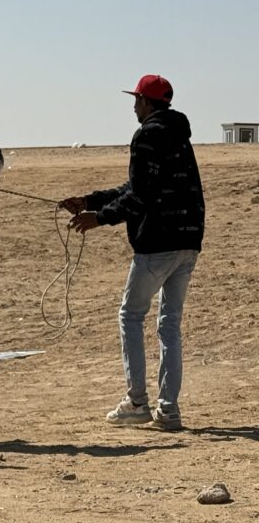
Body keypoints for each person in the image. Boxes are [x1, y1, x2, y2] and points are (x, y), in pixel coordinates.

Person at [60, 74, 204, 431]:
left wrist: (99, 218)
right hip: (188, 242)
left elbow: (141, 196)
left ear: (146, 102)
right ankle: (168, 410)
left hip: (158, 244)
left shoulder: (146, 135)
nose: (133, 105)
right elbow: (138, 186)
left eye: (137, 99)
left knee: (131, 316)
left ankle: (138, 402)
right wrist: (91, 200)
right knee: (169, 324)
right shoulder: (178, 135)